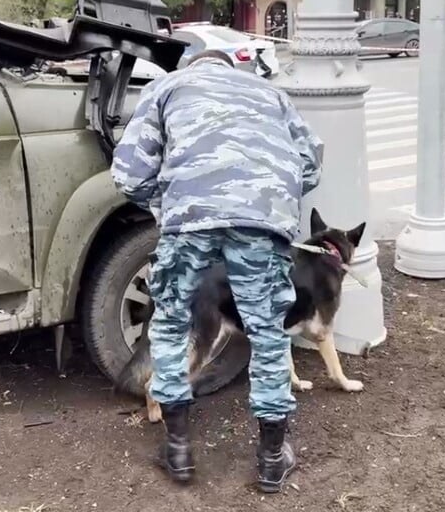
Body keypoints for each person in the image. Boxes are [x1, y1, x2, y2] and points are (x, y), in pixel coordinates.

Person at [111, 50, 323, 493]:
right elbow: (310, 166)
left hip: (189, 221)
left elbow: (129, 175)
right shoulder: (270, 93)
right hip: (262, 221)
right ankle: (270, 459)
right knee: (267, 334)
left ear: (192, 68)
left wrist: (170, 203)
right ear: (231, 68)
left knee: (169, 328)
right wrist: (263, 202)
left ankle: (179, 450)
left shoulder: (167, 88)